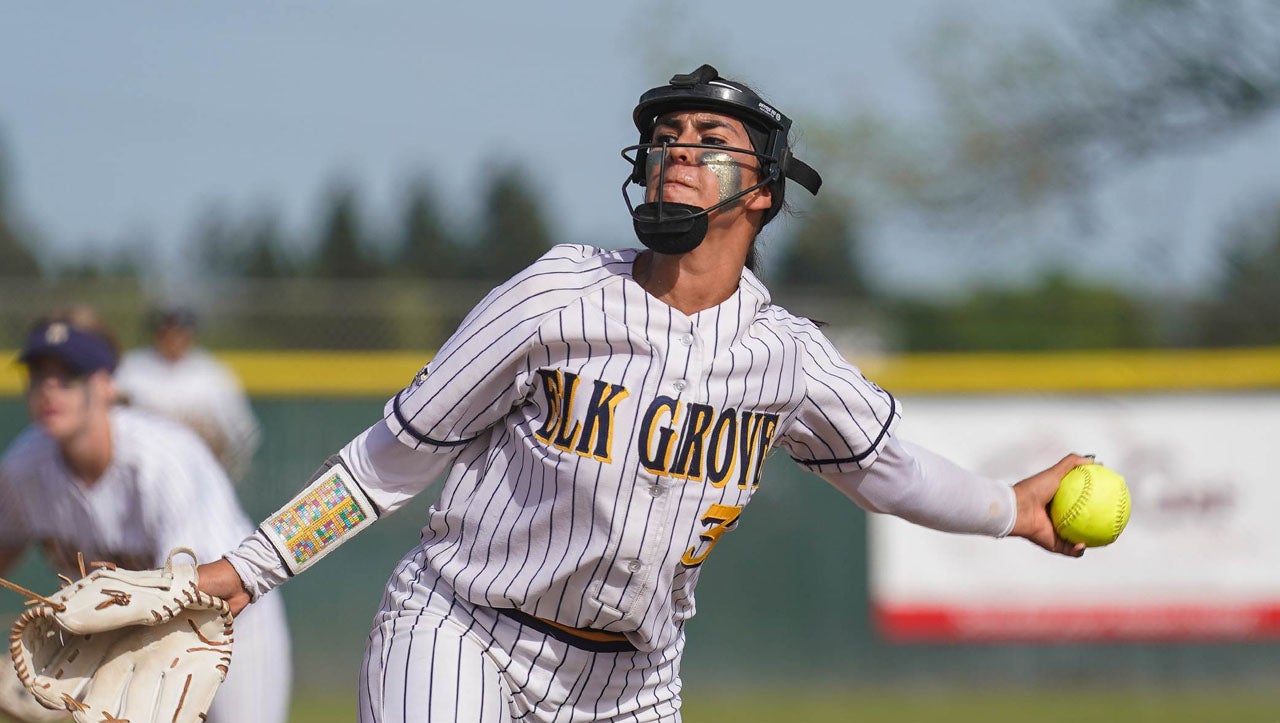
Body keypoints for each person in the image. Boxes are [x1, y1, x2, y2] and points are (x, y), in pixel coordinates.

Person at [196, 64, 1090, 723]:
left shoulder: (788, 359)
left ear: (766, 195)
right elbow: (389, 462)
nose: (677, 154)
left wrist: (1012, 508)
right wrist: (246, 570)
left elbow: (891, 470)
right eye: (667, 138)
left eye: (710, 143)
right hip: (465, 629)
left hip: (632, 680)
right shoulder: (557, 295)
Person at [0, 309, 292, 723]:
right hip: (129, 641)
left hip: (230, 624)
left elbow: (201, 591)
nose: (49, 389)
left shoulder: (162, 461)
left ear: (105, 385)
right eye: (37, 374)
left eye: (68, 375)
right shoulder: (22, 468)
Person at [114, 305, 261, 484]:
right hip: (142, 474)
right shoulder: (131, 369)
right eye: (167, 331)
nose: (174, 338)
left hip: (199, 476)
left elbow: (243, 434)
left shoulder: (212, 374)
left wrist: (224, 476)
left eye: (180, 332)